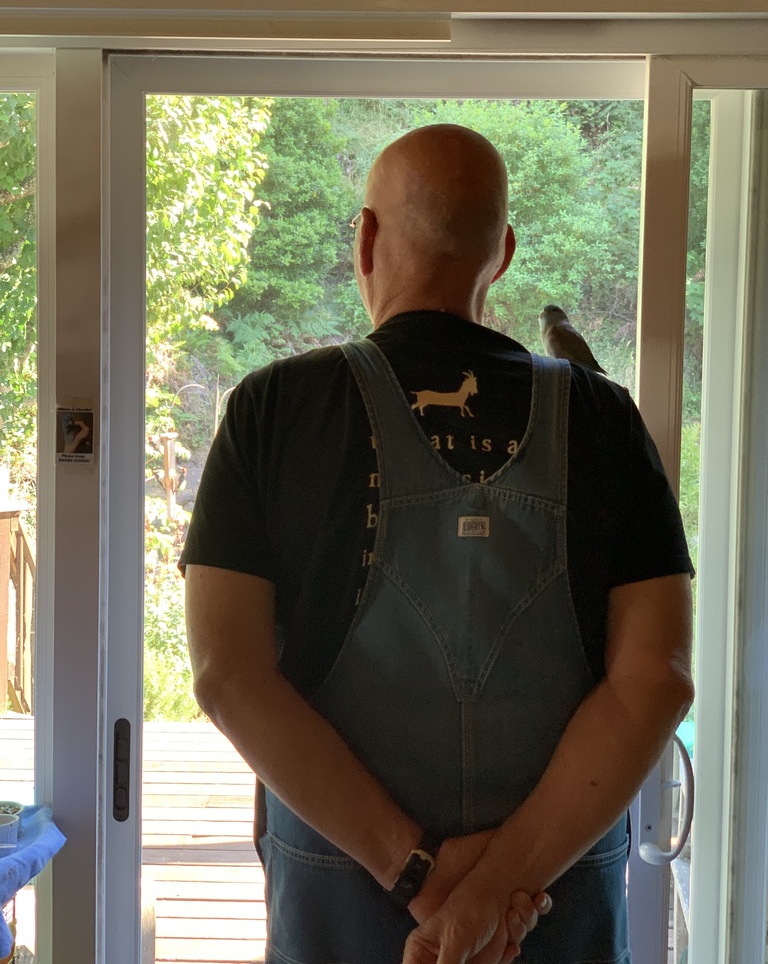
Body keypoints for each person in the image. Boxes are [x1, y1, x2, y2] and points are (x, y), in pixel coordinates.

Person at [181, 123, 694, 964]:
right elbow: (658, 676)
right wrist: (496, 893)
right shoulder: (605, 419)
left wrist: (419, 873)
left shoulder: (272, 411)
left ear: (365, 239)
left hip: (343, 912)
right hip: (548, 916)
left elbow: (226, 673)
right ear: (504, 254)